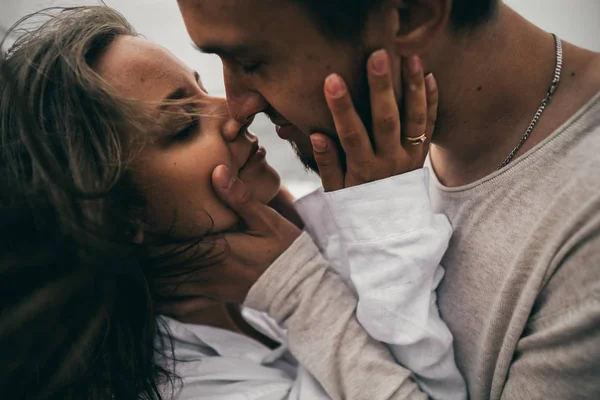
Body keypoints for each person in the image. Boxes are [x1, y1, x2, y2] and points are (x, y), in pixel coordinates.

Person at [0, 6, 464, 399]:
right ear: (121, 216)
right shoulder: (193, 385)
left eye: (202, 87)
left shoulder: (278, 247)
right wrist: (304, 285)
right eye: (182, 127)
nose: (235, 111)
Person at [175, 0, 600, 399]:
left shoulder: (586, 226)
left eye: (252, 62)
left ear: (410, 15)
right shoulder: (375, 166)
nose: (237, 107)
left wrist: (299, 294)